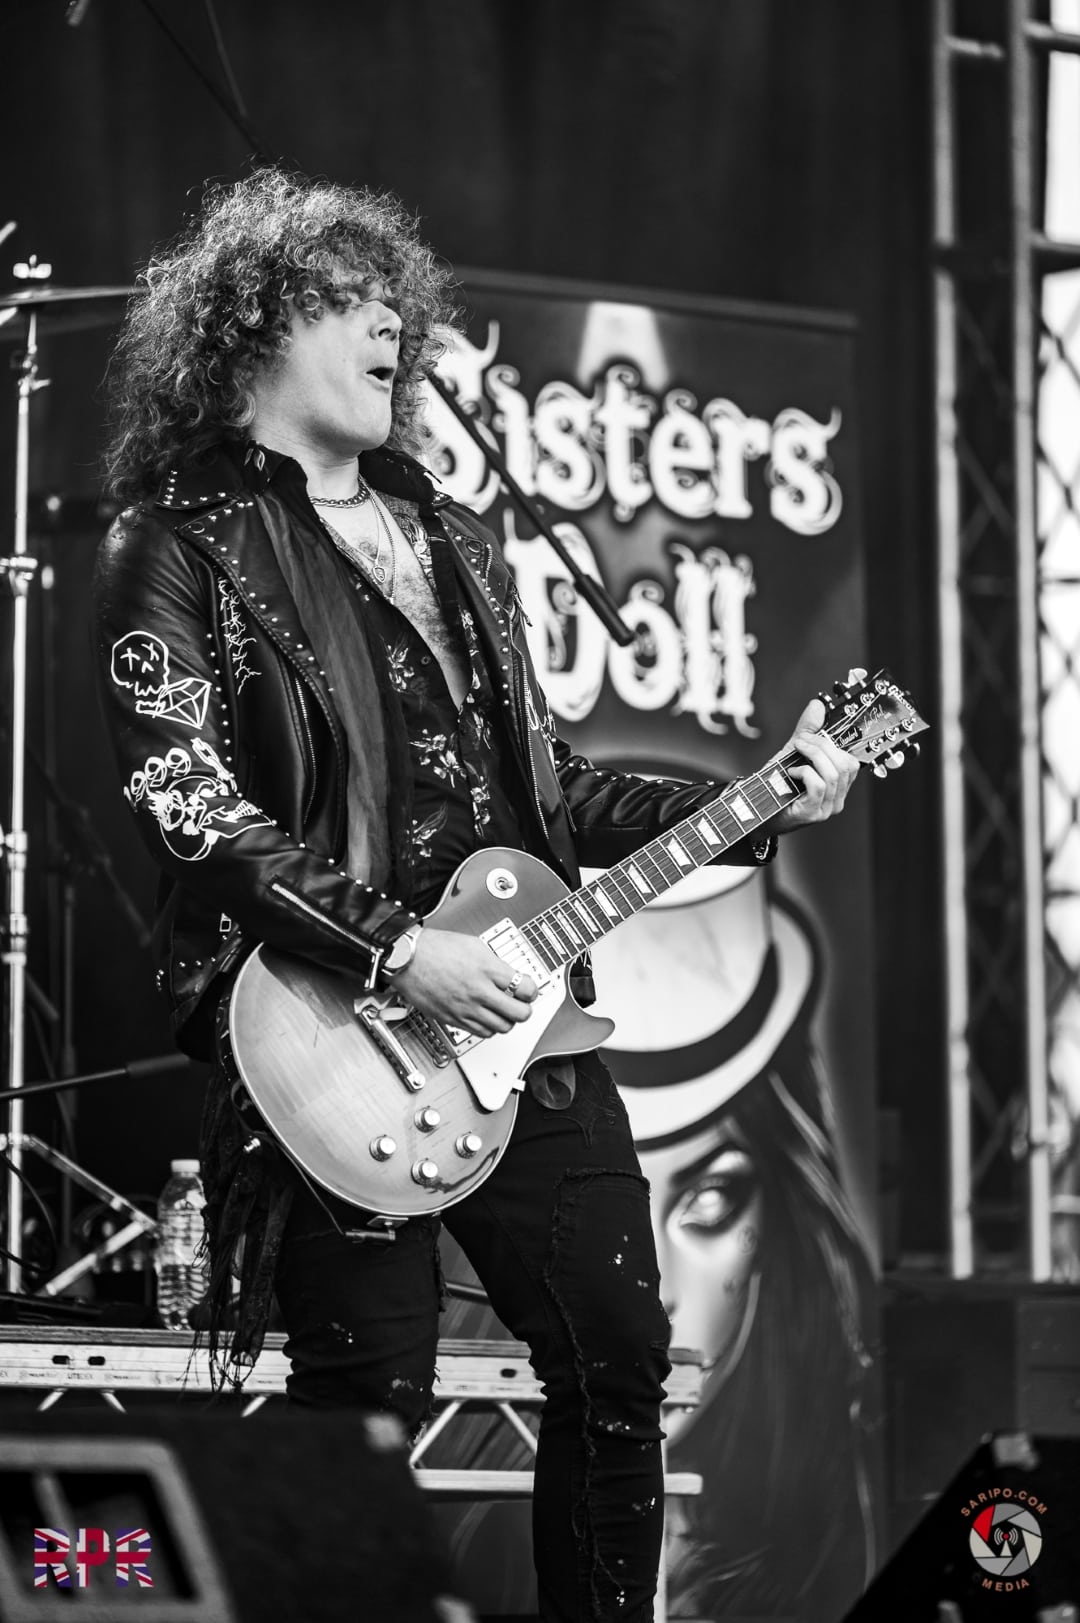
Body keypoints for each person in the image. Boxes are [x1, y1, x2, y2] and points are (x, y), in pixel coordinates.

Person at [92, 167, 859, 1623]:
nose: (392, 326)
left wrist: (757, 800)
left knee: (619, 1368)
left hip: (524, 1024)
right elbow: (192, 810)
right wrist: (398, 954)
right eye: (347, 302)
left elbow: (549, 795)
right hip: (334, 1031)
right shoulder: (182, 546)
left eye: (397, 304)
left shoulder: (455, 539)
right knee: (366, 1405)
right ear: (251, 333)